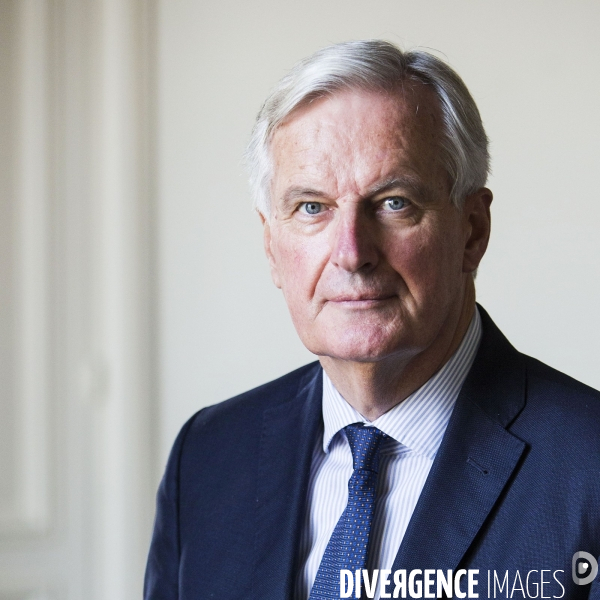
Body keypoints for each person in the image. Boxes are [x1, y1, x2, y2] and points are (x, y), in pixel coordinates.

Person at [144, 40, 600, 600]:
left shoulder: (588, 466)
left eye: (394, 202)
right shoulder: (210, 456)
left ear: (472, 232)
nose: (352, 252)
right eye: (312, 207)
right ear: (271, 246)